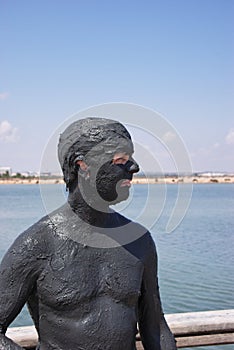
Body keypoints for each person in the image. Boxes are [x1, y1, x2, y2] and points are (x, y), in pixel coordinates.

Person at [0, 117, 177, 350]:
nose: (134, 167)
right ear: (82, 165)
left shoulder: (139, 241)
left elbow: (155, 327)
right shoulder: (36, 245)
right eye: (120, 159)